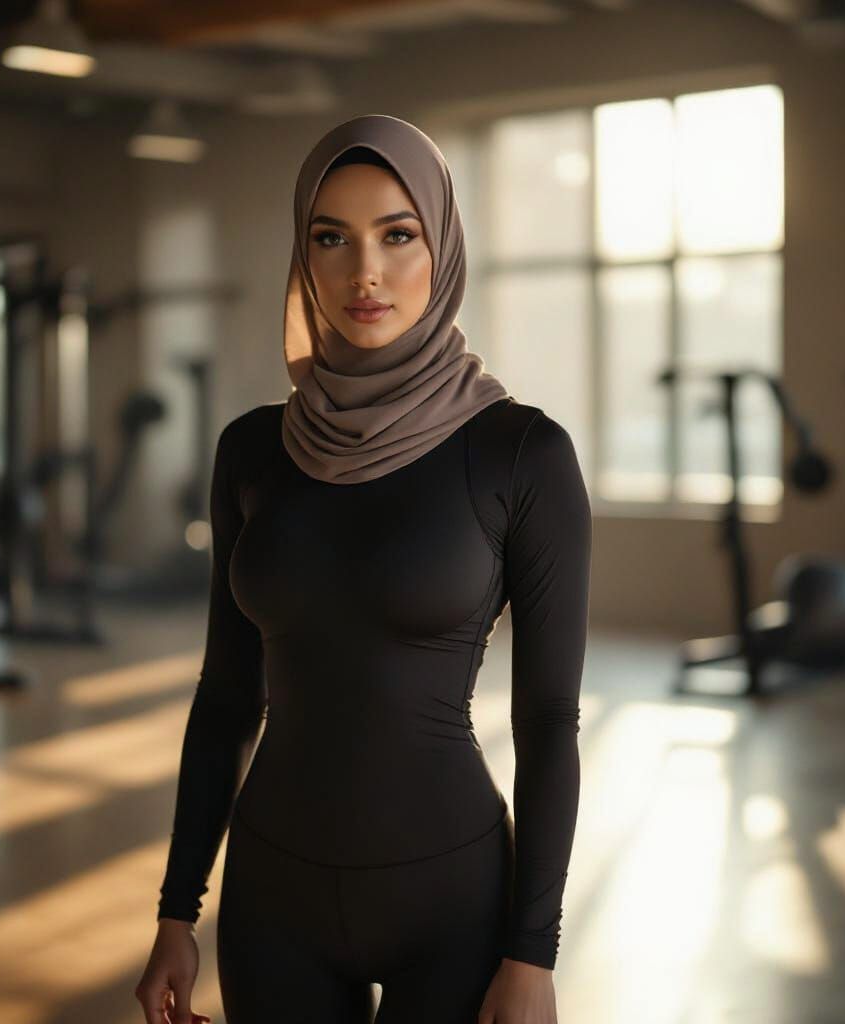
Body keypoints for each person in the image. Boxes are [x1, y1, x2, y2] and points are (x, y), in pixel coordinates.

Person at [135, 114, 592, 1024]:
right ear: (304, 256)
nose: (364, 272)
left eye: (398, 234)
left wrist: (531, 954)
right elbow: (227, 695)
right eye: (331, 238)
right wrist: (177, 911)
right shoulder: (254, 450)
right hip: (273, 899)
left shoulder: (521, 454)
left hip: (451, 902)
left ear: (443, 246)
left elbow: (546, 721)